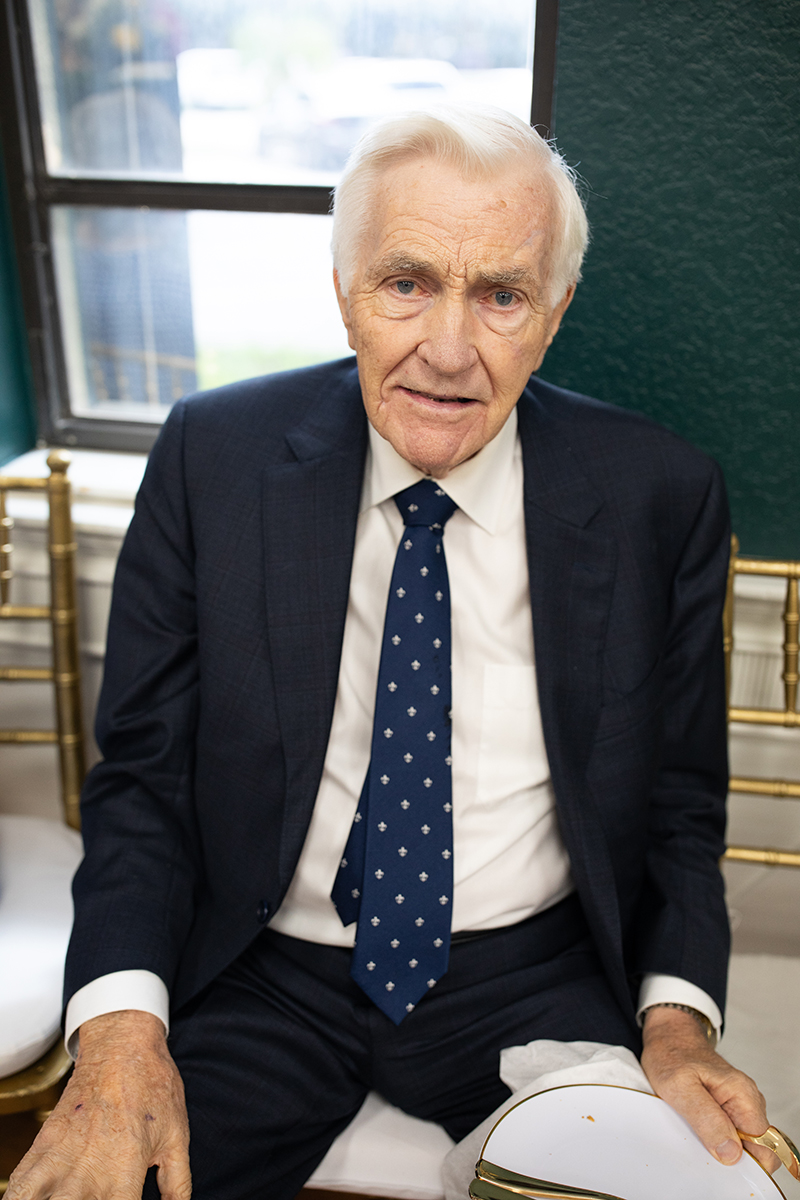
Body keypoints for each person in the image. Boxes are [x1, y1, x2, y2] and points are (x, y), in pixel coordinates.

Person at [9, 106, 776, 1200]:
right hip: (263, 969)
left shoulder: (662, 493)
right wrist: (121, 1035)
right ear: (343, 291)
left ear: (554, 311)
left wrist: (677, 1022)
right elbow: (142, 782)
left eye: (501, 295)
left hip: (533, 972)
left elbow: (679, 808)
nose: (448, 351)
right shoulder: (211, 458)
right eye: (406, 282)